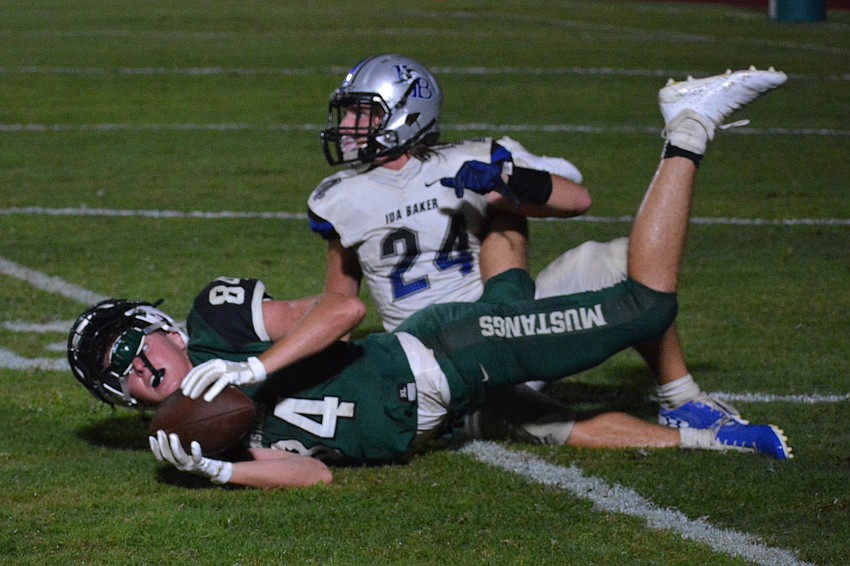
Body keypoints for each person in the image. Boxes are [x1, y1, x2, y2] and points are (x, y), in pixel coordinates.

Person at [68, 67, 792, 490]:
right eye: (118, 374)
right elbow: (314, 477)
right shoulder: (203, 428)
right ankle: (709, 441)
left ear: (162, 329)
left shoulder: (221, 330)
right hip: (444, 378)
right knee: (549, 414)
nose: (137, 369)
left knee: (642, 299)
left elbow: (332, 313)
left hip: (449, 349)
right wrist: (218, 471)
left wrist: (507, 176)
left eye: (133, 346)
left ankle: (687, 127)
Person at [308, 54, 746, 434]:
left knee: (614, 258)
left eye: (360, 114)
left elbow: (578, 199)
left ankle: (681, 399)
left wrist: (505, 180)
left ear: (406, 114)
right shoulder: (338, 197)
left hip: (512, 326)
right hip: (434, 360)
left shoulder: (471, 156)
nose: (346, 126)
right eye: (347, 114)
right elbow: (340, 302)